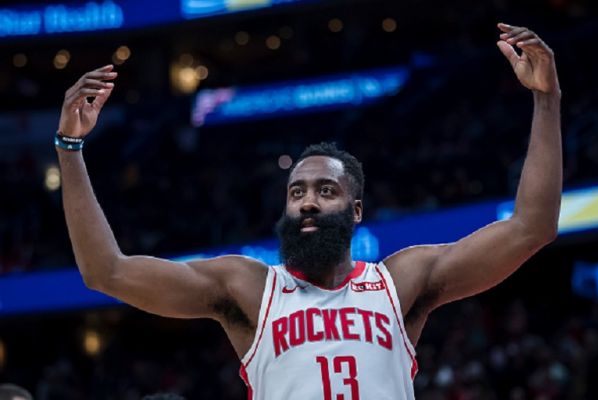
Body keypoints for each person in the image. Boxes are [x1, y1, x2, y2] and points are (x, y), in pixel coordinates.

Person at [55, 23, 561, 399]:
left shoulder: (401, 280)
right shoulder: (249, 288)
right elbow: (107, 272)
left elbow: (530, 229)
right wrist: (70, 148)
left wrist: (546, 100)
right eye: (296, 193)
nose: (308, 202)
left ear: (356, 209)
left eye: (325, 190)